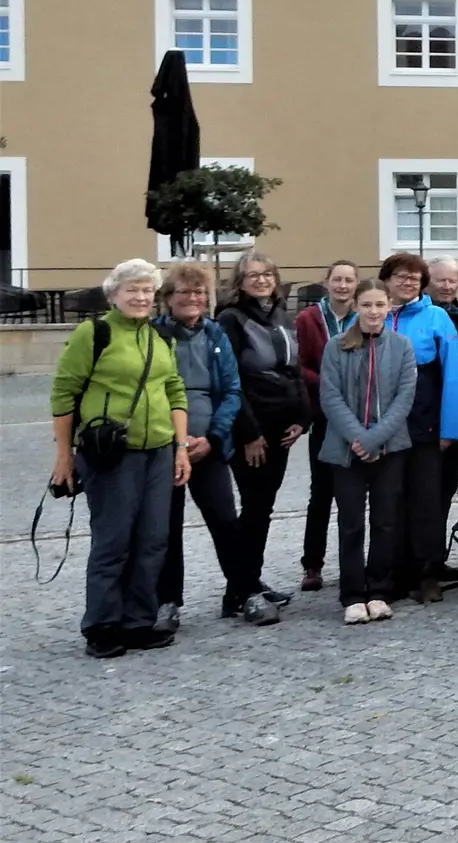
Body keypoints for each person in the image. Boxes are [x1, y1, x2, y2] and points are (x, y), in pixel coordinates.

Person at [49, 259, 191, 658]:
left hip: (158, 451)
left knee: (152, 540)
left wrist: (180, 448)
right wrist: (64, 455)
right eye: (133, 289)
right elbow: (63, 394)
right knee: (113, 540)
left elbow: (175, 392)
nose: (141, 297)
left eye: (147, 290)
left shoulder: (161, 339)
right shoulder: (93, 333)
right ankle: (103, 624)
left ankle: (138, 621)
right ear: (114, 294)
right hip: (112, 454)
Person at [318, 279, 417, 625]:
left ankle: (379, 589)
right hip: (346, 451)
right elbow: (330, 397)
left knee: (386, 520)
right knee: (350, 523)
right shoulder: (336, 347)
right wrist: (358, 438)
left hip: (390, 448)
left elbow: (404, 398)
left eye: (379, 305)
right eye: (367, 305)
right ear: (356, 307)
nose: (373, 312)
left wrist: (375, 439)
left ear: (389, 307)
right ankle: (352, 593)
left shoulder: (402, 346)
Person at [154, 263, 245, 634]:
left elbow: (232, 391)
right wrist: (178, 440)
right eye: (184, 293)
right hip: (165, 447)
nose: (192, 299)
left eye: (198, 293)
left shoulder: (216, 334)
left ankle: (243, 590)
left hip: (209, 445)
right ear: (168, 299)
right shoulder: (155, 337)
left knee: (225, 521)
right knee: (166, 528)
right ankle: (167, 601)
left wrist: (214, 437)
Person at [217, 252, 306, 624]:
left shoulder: (281, 316)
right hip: (252, 428)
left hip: (281, 426)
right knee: (253, 508)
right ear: (239, 283)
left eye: (266, 274)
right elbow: (231, 379)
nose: (260, 280)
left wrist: (303, 418)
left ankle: (246, 582)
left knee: (262, 508)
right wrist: (249, 433)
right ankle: (240, 589)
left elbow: (295, 370)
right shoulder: (230, 319)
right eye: (251, 275)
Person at [378, 253, 458, 602]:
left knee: (427, 501)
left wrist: (450, 428)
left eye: (414, 277)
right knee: (390, 502)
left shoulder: (437, 318)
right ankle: (394, 573)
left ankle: (428, 571)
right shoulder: (373, 316)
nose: (408, 282)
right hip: (385, 429)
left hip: (426, 425)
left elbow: (452, 376)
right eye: (400, 276)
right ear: (387, 280)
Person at [294, 259, 357, 593]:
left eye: (349, 280)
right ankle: (312, 565)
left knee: (358, 494)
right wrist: (330, 385)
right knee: (321, 494)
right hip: (324, 416)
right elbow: (299, 365)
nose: (343, 286)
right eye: (337, 279)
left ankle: (357, 560)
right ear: (327, 282)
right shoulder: (309, 319)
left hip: (359, 418)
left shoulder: (364, 317)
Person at [426, 255, 458, 564]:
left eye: (452, 280)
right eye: (440, 279)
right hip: (424, 420)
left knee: (443, 493)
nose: (446, 285)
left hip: (454, 420)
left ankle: (435, 559)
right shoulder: (423, 317)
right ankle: (420, 563)